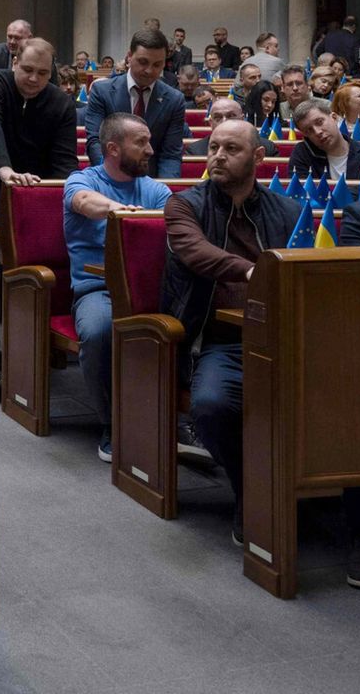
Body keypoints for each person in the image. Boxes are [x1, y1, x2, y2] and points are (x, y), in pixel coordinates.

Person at [161, 121, 304, 555]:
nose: (217, 155)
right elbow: (195, 252)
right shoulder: (184, 205)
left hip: (280, 334)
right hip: (218, 337)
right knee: (211, 406)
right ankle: (250, 489)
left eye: (231, 148)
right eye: (214, 147)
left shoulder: (289, 210)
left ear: (258, 158)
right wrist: (254, 270)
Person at [64, 114, 172, 460]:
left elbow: (175, 219)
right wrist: (119, 211)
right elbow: (83, 201)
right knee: (97, 332)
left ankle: (177, 420)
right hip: (98, 287)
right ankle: (113, 423)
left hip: (149, 290)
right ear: (113, 148)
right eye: (141, 142)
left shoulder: (155, 189)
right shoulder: (82, 180)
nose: (150, 150)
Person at [0, 38, 78, 272]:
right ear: (15, 63)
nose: (34, 79)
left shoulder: (61, 103)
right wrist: (5, 170)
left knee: (52, 254)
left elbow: (65, 161)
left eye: (43, 73)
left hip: (36, 188)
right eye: (28, 70)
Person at [81, 29, 186, 177]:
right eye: (143, 62)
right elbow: (95, 143)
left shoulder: (174, 100)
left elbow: (170, 154)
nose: (149, 70)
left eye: (157, 65)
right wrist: (110, 179)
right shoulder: (102, 91)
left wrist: (164, 193)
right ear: (129, 57)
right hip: (108, 180)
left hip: (152, 183)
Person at [287, 98, 360, 184]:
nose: (318, 132)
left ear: (334, 118)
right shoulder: (302, 153)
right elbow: (300, 193)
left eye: (319, 122)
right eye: (309, 130)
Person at [186, 97, 280, 158]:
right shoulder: (195, 151)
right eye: (218, 117)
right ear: (211, 123)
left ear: (242, 119)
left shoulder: (266, 148)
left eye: (231, 116)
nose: (224, 122)